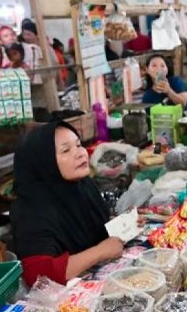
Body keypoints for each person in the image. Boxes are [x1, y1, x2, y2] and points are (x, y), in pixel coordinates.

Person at [11, 121, 124, 287]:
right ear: (44, 162)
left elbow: (96, 229)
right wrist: (100, 252)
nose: (80, 153)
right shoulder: (31, 209)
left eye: (78, 145)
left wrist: (122, 224)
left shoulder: (82, 186)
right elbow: (37, 275)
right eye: (66, 150)